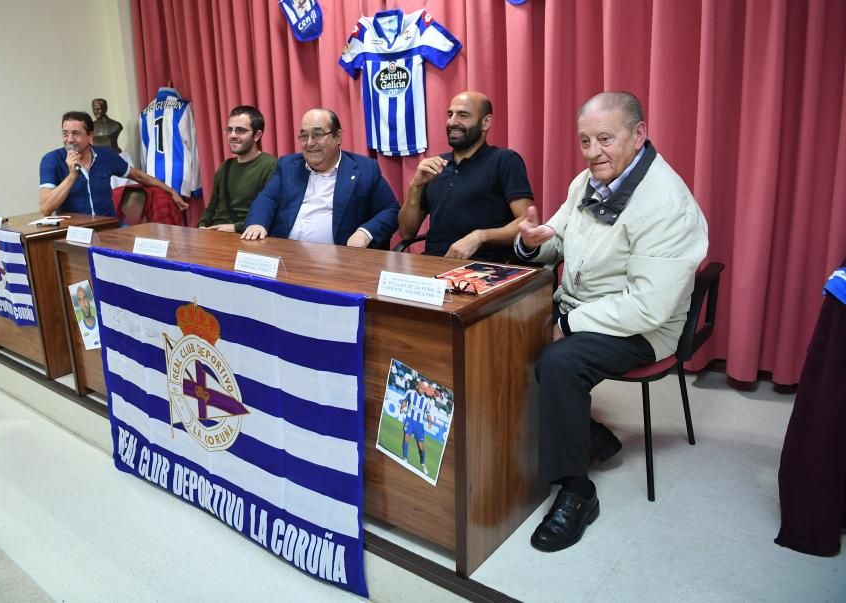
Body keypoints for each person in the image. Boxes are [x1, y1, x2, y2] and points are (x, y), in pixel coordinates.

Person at [515, 91, 708, 552]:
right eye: (584, 141)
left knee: (559, 363)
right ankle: (589, 435)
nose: (593, 152)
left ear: (638, 135)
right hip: (584, 305)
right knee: (502, 332)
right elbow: (556, 243)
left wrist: (570, 323)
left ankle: (577, 490)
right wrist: (531, 242)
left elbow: (648, 307)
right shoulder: (586, 182)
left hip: (644, 328)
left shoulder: (665, 202)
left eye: (605, 138)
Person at [398, 91, 534, 261]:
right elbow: (406, 232)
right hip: (433, 266)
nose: (452, 122)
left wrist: (480, 236)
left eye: (463, 115)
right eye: (450, 114)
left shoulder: (505, 160)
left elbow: (527, 223)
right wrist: (415, 186)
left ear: (486, 122)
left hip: (483, 269)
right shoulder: (435, 166)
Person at [242, 108, 399, 247]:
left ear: (337, 137)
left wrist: (365, 233)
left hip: (339, 261)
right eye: (304, 136)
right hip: (286, 255)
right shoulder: (288, 165)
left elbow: (390, 210)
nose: (309, 143)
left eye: (317, 135)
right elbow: (267, 199)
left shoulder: (364, 169)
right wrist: (257, 224)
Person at [39, 111, 188, 217]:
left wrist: (171, 192)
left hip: (107, 229)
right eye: (65, 133)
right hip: (72, 235)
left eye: (75, 134)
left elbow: (139, 176)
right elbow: (46, 208)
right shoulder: (51, 160)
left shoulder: (106, 155)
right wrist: (72, 176)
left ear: (90, 136)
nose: (69, 139)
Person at [198, 106, 277, 233]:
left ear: (257, 135)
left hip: (245, 236)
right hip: (213, 234)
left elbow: (271, 212)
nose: (232, 135)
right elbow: (211, 207)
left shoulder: (270, 166)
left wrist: (236, 227)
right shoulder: (225, 167)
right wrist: (202, 226)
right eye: (229, 130)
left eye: (240, 130)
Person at [399, 380, 434, 475]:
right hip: (409, 420)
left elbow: (427, 413)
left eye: (424, 389)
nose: (423, 390)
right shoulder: (410, 393)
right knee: (406, 437)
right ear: (418, 386)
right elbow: (404, 401)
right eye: (422, 388)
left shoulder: (426, 401)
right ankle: (405, 458)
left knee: (421, 447)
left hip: (419, 424)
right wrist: (402, 407)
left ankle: (422, 463)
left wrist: (430, 422)